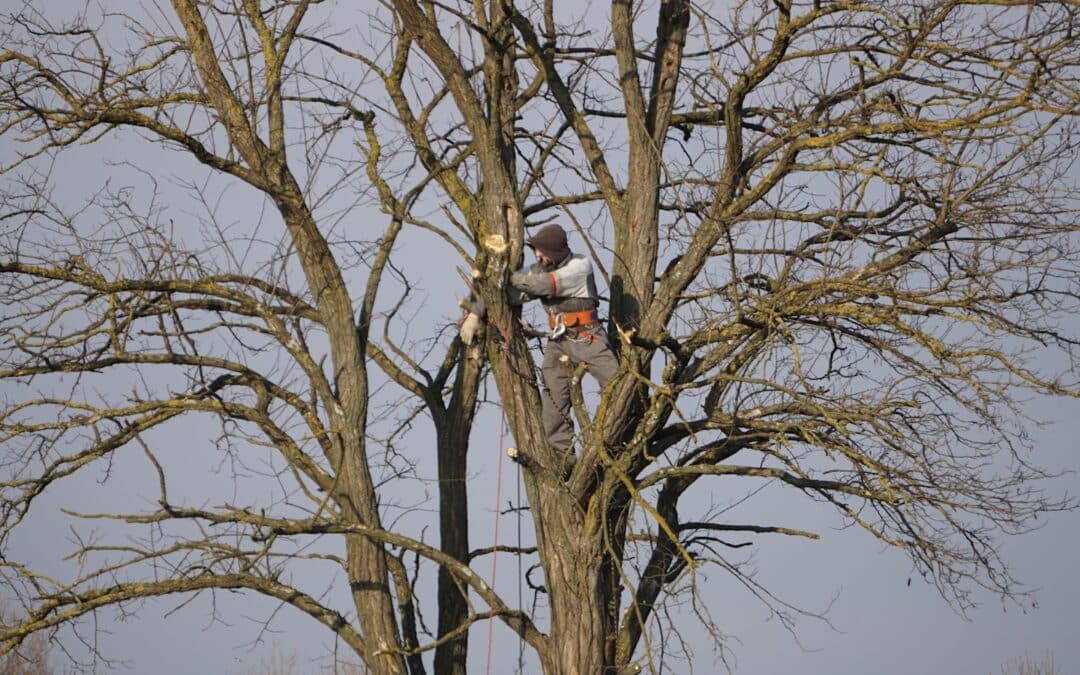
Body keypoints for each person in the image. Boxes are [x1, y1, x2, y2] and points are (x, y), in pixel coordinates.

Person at [459, 224, 618, 465]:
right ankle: (563, 457)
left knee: (618, 385)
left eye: (541, 251)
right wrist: (475, 314)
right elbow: (503, 293)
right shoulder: (540, 269)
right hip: (559, 340)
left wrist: (506, 275)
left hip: (588, 337)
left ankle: (614, 442)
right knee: (553, 395)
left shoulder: (579, 265)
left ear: (554, 251)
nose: (537, 255)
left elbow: (543, 285)